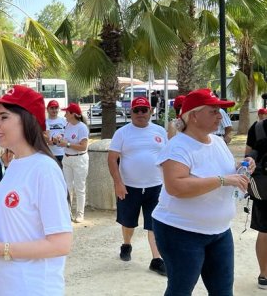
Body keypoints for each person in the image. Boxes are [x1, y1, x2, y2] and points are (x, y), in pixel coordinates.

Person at [0, 85, 72, 295]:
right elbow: (25, 219)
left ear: (27, 119)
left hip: (34, 288)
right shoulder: (15, 163)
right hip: (7, 286)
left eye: (3, 117)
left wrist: (1, 249)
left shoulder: (44, 169)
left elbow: (61, 244)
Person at [152, 88, 254, 295]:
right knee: (181, 290)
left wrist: (242, 166)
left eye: (220, 111)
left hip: (219, 232)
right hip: (180, 232)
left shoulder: (217, 141)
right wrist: (223, 180)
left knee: (223, 291)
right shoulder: (178, 147)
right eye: (213, 111)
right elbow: (176, 187)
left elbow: (221, 169)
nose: (220, 116)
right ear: (194, 115)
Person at [108, 97, 167, 275]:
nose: (140, 113)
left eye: (144, 109)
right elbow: (112, 159)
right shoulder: (122, 133)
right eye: (136, 110)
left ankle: (157, 259)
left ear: (151, 111)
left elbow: (168, 157)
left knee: (154, 224)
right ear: (130, 112)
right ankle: (126, 244)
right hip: (129, 187)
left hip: (155, 186)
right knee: (128, 223)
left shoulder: (160, 131)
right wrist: (118, 183)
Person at [57, 103, 89, 223]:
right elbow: (66, 139)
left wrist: (67, 144)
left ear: (73, 114)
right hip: (67, 158)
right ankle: (67, 213)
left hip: (79, 159)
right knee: (67, 187)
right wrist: (60, 140)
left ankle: (80, 214)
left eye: (67, 112)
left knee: (79, 187)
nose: (65, 115)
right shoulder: (68, 124)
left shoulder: (82, 127)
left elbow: (83, 147)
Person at [246, 109, 267, 289]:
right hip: (264, 188)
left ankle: (264, 275)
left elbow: (248, 156)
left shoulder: (258, 128)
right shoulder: (258, 127)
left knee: (264, 231)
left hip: (263, 188)